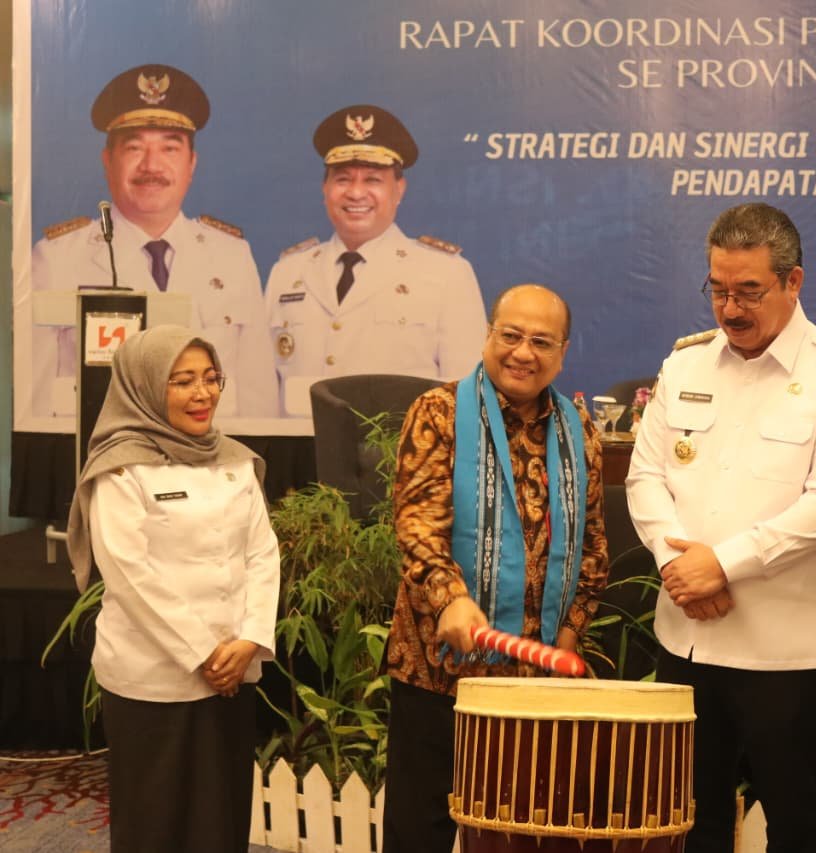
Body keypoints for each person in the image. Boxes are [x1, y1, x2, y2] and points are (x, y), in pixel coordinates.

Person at [625, 203, 816, 852]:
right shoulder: (685, 364)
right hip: (686, 638)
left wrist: (722, 565)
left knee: (796, 823)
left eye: (749, 292)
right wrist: (676, 566)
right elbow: (644, 476)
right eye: (718, 290)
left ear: (793, 282)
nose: (730, 309)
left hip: (782, 651)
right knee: (687, 820)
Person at [382, 284, 608, 851]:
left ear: (563, 352)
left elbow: (594, 548)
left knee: (517, 838)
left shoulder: (580, 431)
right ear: (488, 336)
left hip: (533, 686)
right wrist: (450, 597)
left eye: (541, 341)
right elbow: (417, 523)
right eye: (510, 335)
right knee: (419, 834)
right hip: (439, 673)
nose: (523, 353)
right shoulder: (439, 413)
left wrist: (568, 638)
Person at [65, 325, 281, 852]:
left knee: (221, 819)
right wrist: (205, 652)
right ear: (143, 385)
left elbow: (262, 553)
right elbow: (129, 574)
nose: (202, 393)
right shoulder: (121, 467)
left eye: (210, 378)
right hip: (153, 678)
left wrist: (250, 639)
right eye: (182, 381)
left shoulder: (235, 460)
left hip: (232, 671)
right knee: (156, 823)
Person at [30, 64, 277, 418]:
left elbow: (258, 401)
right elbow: (36, 405)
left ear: (191, 163)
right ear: (107, 161)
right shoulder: (56, 258)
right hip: (105, 451)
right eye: (134, 148)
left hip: (208, 450)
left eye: (169, 149)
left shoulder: (232, 257)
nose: (152, 166)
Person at [264, 104, 487, 417]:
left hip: (399, 446)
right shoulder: (287, 272)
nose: (356, 193)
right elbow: (264, 389)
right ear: (325, 188)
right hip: (297, 444)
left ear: (399, 189)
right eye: (343, 179)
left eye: (372, 180)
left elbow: (466, 397)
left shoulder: (446, 274)